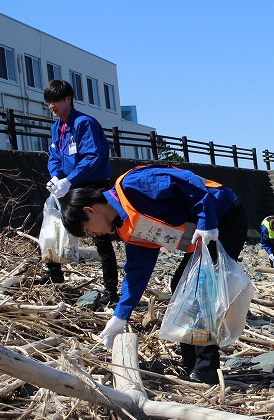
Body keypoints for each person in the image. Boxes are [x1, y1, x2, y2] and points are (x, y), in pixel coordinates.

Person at [60, 164, 248, 385]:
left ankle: (206, 368)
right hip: (203, 233)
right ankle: (191, 363)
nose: (94, 235)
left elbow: (186, 181)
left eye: (88, 230)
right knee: (182, 285)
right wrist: (120, 315)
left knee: (200, 288)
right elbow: (138, 271)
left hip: (223, 216)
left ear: (90, 210)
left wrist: (207, 221)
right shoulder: (125, 227)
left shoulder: (133, 186)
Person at [35, 79, 119, 305]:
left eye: (55, 100)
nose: (51, 105)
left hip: (92, 186)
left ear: (68, 99)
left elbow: (93, 157)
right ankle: (54, 275)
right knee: (50, 223)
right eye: (48, 101)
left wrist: (70, 179)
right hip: (68, 185)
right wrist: (56, 176)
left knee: (101, 237)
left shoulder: (84, 123)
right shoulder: (57, 128)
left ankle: (111, 290)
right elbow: (55, 156)